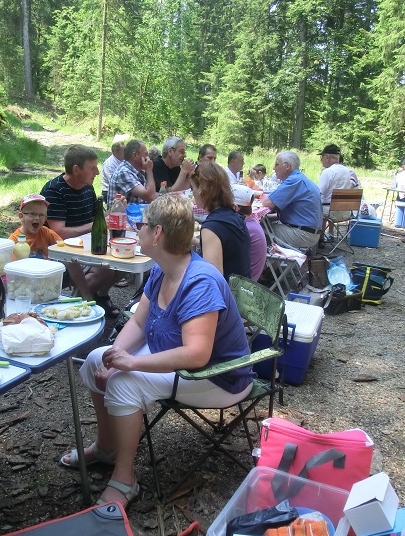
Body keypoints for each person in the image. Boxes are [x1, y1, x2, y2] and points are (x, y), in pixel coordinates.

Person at [59, 195, 254, 507]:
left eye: (143, 224)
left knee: (124, 382)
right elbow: (139, 322)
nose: (138, 229)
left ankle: (124, 480)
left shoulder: (199, 281)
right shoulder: (164, 269)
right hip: (177, 360)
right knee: (98, 359)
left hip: (217, 376)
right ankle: (107, 448)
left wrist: (132, 363)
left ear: (158, 233)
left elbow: (197, 354)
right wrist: (116, 357)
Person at [40, 145, 119, 315]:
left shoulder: (87, 188)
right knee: (106, 269)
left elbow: (97, 220)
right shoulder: (54, 190)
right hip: (60, 250)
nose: (97, 172)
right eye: (92, 168)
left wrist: (114, 211)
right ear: (76, 169)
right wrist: (95, 225)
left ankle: (99, 296)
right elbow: (59, 233)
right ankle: (75, 306)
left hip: (85, 247)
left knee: (122, 262)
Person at [190, 162, 251, 279]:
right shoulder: (234, 216)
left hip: (226, 289)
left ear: (201, 190)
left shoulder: (211, 227)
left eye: (193, 188)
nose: (193, 193)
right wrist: (197, 242)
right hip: (242, 287)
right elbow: (227, 249)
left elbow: (213, 279)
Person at [260, 151, 323, 251]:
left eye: (276, 164)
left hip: (303, 234)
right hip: (310, 232)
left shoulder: (294, 180)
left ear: (287, 166)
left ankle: (257, 260)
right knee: (263, 223)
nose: (273, 168)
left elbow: (266, 203)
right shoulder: (300, 178)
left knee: (255, 230)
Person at [8, 194, 61, 259]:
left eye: (41, 215)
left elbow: (63, 247)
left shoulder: (46, 233)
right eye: (32, 214)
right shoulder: (14, 241)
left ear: (45, 219)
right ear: (21, 216)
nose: (37, 218)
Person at [108, 139, 157, 208]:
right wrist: (149, 170)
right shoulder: (124, 172)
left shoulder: (137, 171)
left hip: (134, 213)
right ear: (135, 155)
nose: (148, 158)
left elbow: (150, 195)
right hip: (121, 214)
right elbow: (150, 197)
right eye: (146, 154)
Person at [232, 184, 267, 281]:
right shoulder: (250, 223)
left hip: (242, 283)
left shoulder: (244, 228)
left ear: (235, 207)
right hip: (250, 278)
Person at [317, 144, 352, 225]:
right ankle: (328, 232)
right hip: (345, 212)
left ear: (327, 157)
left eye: (322, 157)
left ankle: (319, 232)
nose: (321, 160)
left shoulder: (328, 171)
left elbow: (318, 192)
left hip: (329, 212)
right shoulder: (347, 171)